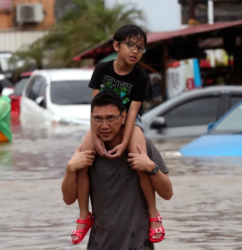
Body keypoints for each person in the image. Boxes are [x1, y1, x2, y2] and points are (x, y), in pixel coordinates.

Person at [71, 24, 165, 244]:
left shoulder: (140, 77)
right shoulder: (102, 69)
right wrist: (94, 136)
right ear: (116, 45)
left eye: (140, 48)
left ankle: (153, 215)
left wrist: (124, 143)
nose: (135, 51)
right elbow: (94, 106)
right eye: (130, 45)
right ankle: (84, 216)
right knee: (83, 160)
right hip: (102, 120)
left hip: (132, 121)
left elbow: (133, 112)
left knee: (139, 158)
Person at [62, 91, 173, 249]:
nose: (104, 126)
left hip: (138, 245)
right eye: (98, 119)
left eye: (110, 118)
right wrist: (70, 169)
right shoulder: (87, 154)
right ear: (91, 119)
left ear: (123, 117)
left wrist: (151, 167)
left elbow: (167, 193)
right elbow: (68, 199)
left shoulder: (142, 147)